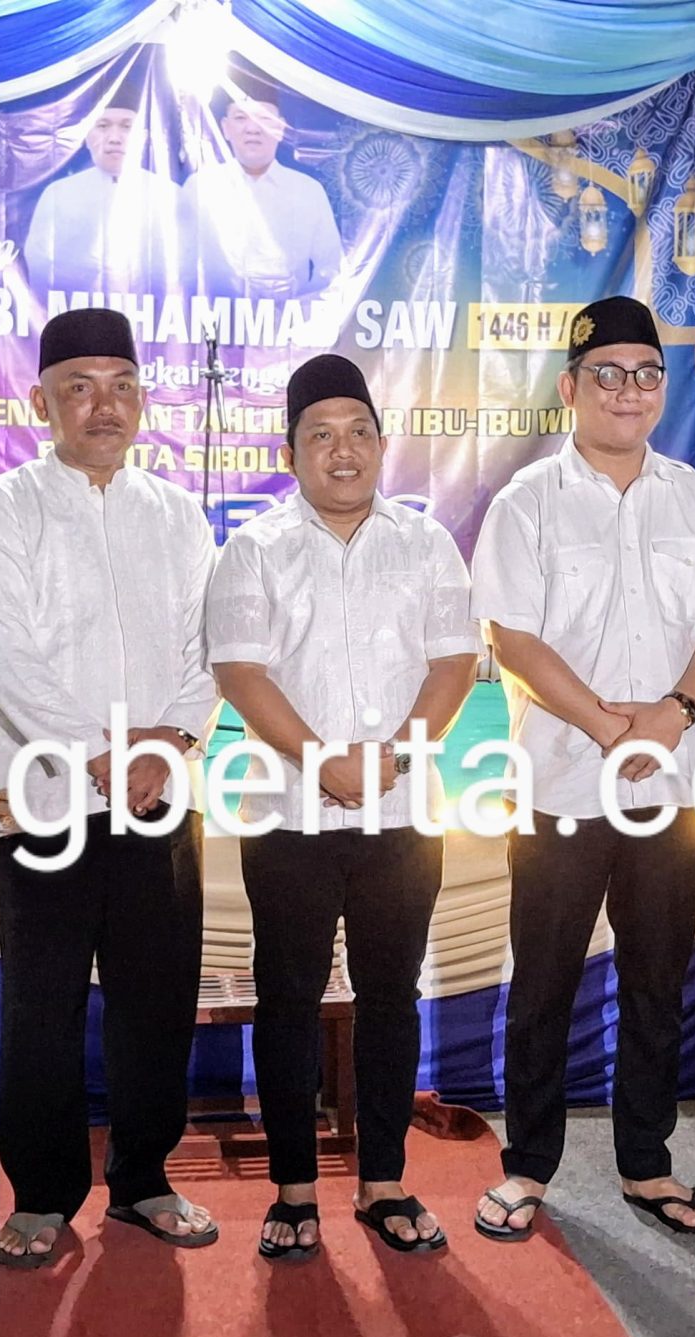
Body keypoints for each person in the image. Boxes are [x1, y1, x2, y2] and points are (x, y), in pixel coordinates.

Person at [466, 295, 695, 1243]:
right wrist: (604, 725)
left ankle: (647, 1162)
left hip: (672, 781)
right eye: (608, 375)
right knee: (543, 983)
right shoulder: (526, 503)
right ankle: (528, 1165)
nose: (629, 391)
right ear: (570, 388)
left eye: (647, 374)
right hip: (562, 779)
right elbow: (513, 638)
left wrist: (672, 718)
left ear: (662, 387)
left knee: (657, 981)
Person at [0, 308, 220, 1266]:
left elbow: (212, 646)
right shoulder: (2, 507)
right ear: (42, 402)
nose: (103, 406)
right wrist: (104, 755)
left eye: (121, 386)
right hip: (49, 802)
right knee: (44, 1005)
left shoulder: (178, 514)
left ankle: (145, 1179)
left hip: (160, 801)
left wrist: (174, 741)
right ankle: (42, 1193)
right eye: (79, 387)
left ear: (142, 400)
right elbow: (5, 657)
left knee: (157, 999)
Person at [208, 355, 478, 1259]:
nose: (344, 450)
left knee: (391, 998)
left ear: (382, 444)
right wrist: (321, 761)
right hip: (288, 817)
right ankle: (292, 1190)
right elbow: (240, 670)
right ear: (290, 453)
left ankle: (383, 1183)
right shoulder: (253, 549)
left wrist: (395, 752)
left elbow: (455, 661)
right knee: (288, 1001)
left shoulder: (426, 543)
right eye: (320, 435)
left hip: (404, 817)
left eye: (359, 431)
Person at [181, 71, 342, 299]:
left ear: (280, 128)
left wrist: (304, 315)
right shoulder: (200, 187)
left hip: (288, 318)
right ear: (225, 128)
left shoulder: (308, 191)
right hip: (212, 317)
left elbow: (331, 269)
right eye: (241, 118)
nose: (253, 128)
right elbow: (179, 265)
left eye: (264, 118)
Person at [23, 72, 180, 298]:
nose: (114, 138)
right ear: (86, 135)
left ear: (144, 136)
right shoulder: (59, 194)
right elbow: (40, 267)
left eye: (127, 126)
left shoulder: (168, 195)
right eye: (103, 126)